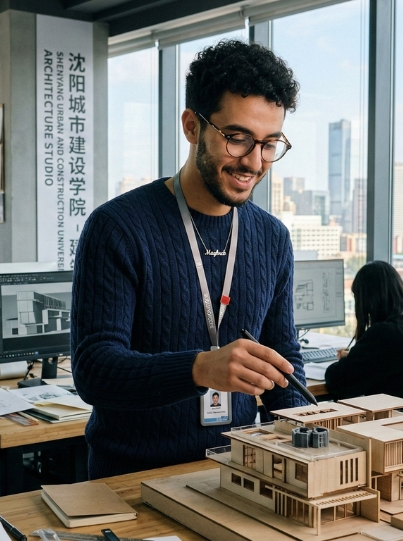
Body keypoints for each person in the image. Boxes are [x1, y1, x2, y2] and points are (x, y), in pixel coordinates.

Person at [71, 39, 309, 479]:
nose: (254, 162)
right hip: (131, 478)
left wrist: (308, 439)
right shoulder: (118, 227)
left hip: (239, 474)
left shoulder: (272, 237)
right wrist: (201, 368)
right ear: (192, 126)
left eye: (270, 143)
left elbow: (281, 360)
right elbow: (94, 370)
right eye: (237, 139)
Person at [324, 261, 403, 401]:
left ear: (366, 300)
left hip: (399, 419)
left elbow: (338, 381)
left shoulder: (384, 333)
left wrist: (347, 361)